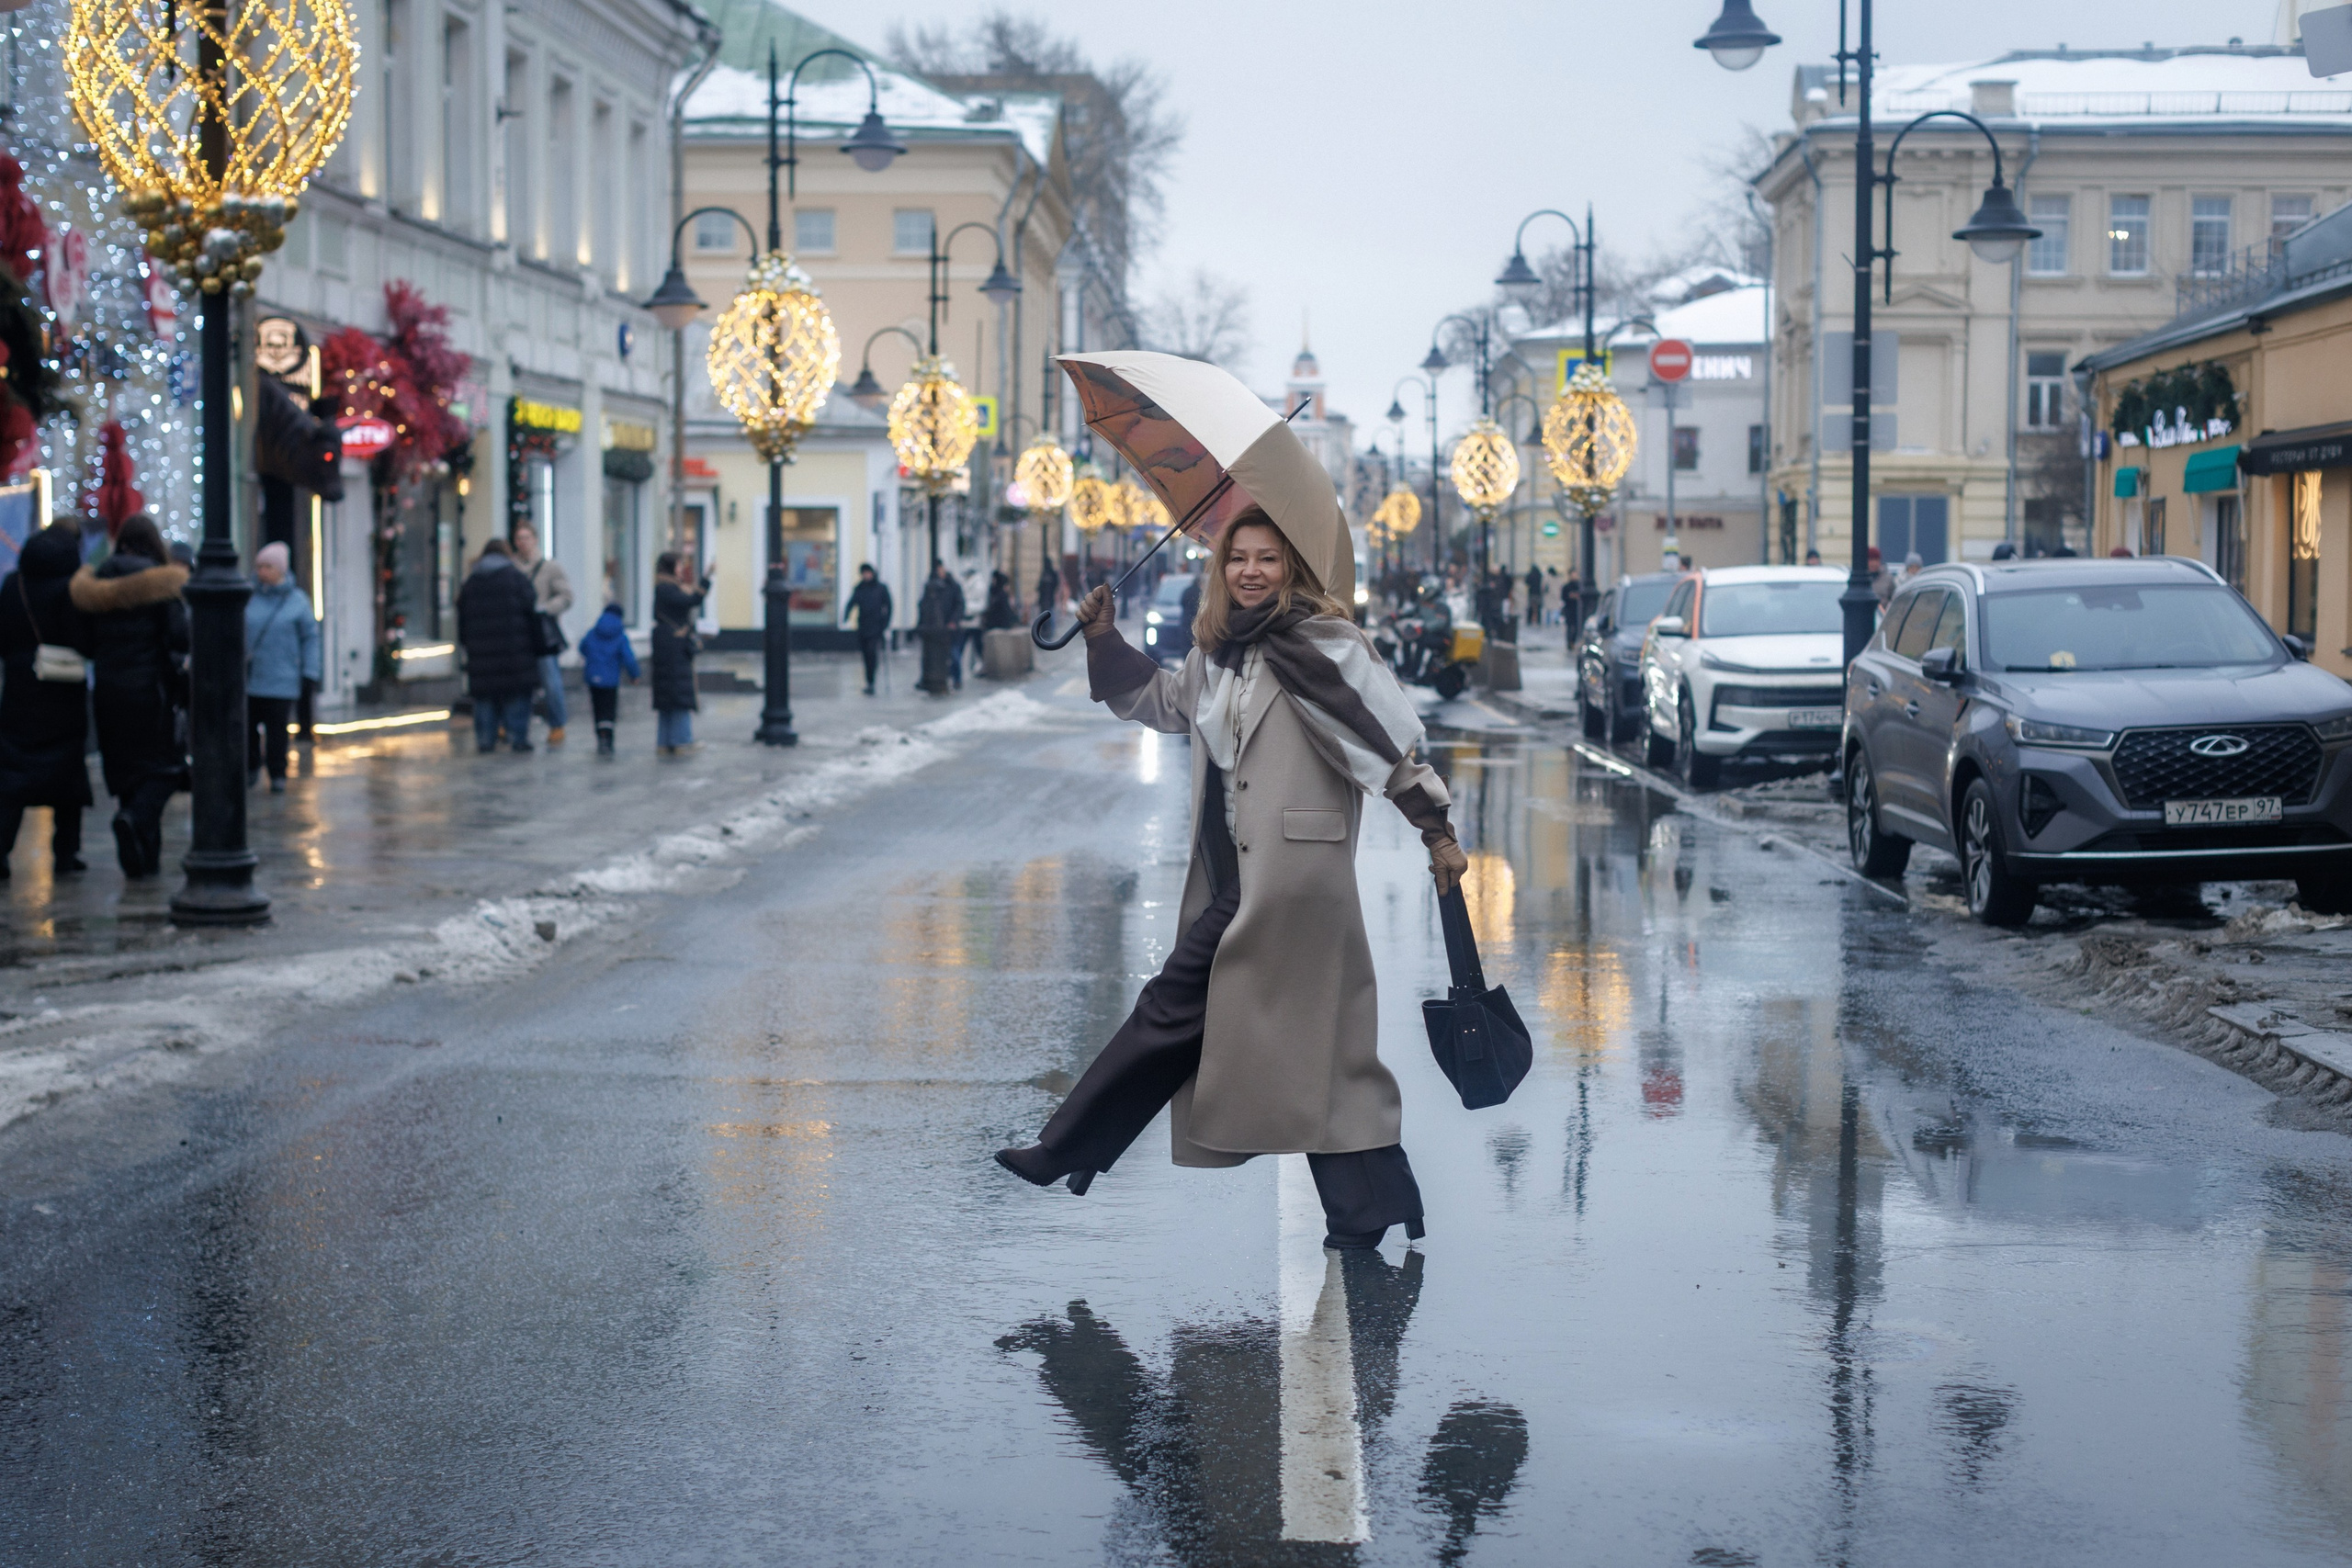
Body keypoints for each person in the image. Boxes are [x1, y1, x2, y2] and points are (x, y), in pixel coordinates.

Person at [995, 507, 1468, 1250]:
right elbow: (1165, 703)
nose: (1251, 571)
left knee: (1171, 1006)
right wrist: (1102, 637)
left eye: (1268, 558)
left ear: (1292, 568)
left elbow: (1385, 742)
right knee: (1319, 1048)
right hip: (1237, 875)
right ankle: (1369, 1205)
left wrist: (1435, 828)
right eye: (1239, 557)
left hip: (1294, 879)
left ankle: (1068, 1146)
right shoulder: (1217, 651)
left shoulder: (1329, 645)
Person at [72, 515, 188, 877]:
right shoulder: (162, 582)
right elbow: (180, 637)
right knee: (163, 770)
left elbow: (85, 642)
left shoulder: (96, 583)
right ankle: (135, 819)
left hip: (108, 690)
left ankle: (142, 862)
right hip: (150, 690)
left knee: (126, 772)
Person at [0, 522, 94, 879]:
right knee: (68, 775)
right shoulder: (73, 589)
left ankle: (1, 850)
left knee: (12, 774)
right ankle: (66, 854)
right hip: (63, 689)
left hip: (20, 689)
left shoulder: (14, 585)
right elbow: (85, 641)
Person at [243, 540, 320, 794]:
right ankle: (251, 767)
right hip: (252, 677)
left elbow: (310, 638)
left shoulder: (297, 601)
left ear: (281, 570)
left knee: (277, 730)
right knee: (248, 728)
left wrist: (310, 671)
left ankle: (278, 772)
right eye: (259, 566)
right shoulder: (248, 598)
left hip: (282, 678)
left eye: (268, 567)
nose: (262, 572)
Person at [456, 537, 540, 753]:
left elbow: (462, 620)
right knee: (517, 694)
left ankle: (485, 739)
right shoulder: (517, 578)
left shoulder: (471, 582)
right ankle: (518, 737)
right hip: (515, 652)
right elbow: (532, 613)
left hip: (481, 655)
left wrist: (469, 644)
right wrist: (535, 644)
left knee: (485, 697)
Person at [512, 522, 573, 745]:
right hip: (518, 632)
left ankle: (557, 724)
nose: (523, 542)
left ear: (535, 539)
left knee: (550, 680)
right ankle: (516, 728)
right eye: (519, 538)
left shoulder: (549, 567)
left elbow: (566, 596)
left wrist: (546, 608)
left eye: (527, 537)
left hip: (542, 633)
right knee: (518, 682)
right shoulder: (511, 567)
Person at [650, 552, 705, 753]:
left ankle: (665, 742)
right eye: (679, 565)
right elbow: (691, 601)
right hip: (674, 649)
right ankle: (681, 740)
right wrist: (706, 580)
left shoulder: (663, 588)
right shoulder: (668, 589)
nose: (682, 569)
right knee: (679, 693)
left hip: (666, 648)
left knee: (668, 697)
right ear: (671, 567)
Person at [576, 601, 640, 755]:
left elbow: (582, 647)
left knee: (597, 708)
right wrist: (634, 675)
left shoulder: (593, 632)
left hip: (593, 677)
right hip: (611, 679)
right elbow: (628, 658)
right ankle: (608, 739)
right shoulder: (620, 635)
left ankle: (600, 737)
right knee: (609, 709)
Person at [842, 562, 893, 695]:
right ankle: (869, 680)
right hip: (863, 626)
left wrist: (885, 623)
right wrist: (846, 615)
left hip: (876, 627)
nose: (866, 575)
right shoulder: (860, 588)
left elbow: (888, 606)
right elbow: (852, 603)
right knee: (866, 655)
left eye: (868, 573)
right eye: (864, 573)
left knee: (872, 652)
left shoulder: (881, 588)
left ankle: (871, 680)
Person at [916, 559, 964, 694]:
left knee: (954, 655)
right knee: (931, 656)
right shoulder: (930, 586)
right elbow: (924, 605)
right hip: (934, 629)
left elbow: (959, 604)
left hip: (950, 627)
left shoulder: (953, 585)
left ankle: (956, 679)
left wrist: (954, 621)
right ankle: (929, 679)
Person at [1035, 560, 1062, 626]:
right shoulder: (1045, 573)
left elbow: (1056, 585)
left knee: (1050, 614)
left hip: (1049, 597)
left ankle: (1049, 629)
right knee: (1045, 614)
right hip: (1044, 598)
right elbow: (1040, 587)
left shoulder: (1051, 573)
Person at [1523, 564, 1545, 628]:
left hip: (1532, 593)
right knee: (1538, 608)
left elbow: (1526, 582)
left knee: (1530, 607)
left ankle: (1529, 620)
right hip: (1538, 593)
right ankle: (1538, 620)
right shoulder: (1540, 575)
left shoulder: (1530, 575)